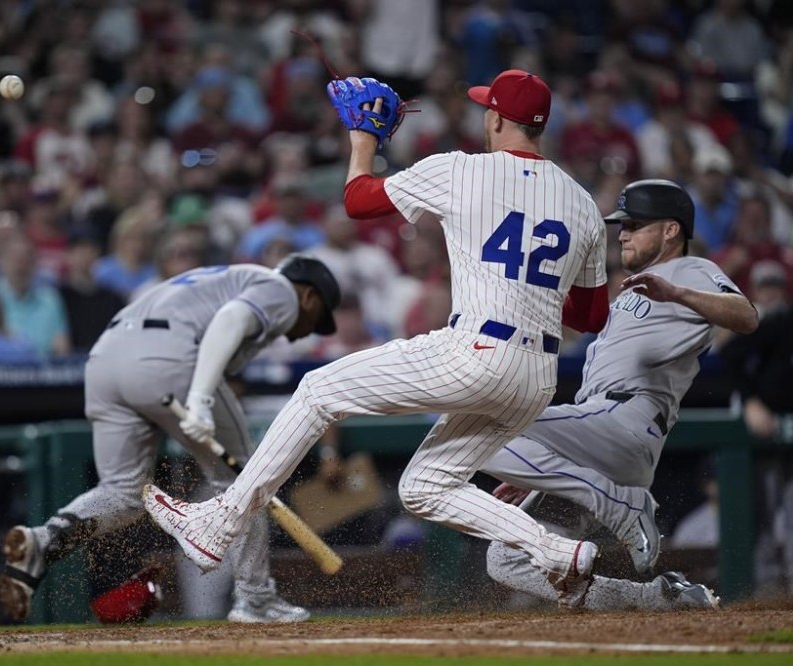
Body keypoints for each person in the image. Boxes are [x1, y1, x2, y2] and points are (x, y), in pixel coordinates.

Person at [144, 69, 613, 596]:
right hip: (536, 376)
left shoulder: (462, 170)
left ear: (496, 117)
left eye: (488, 107)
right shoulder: (582, 202)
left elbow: (359, 199)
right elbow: (591, 316)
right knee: (425, 488)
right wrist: (535, 280)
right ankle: (554, 549)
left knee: (318, 391)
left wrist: (363, 137)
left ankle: (220, 523)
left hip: (476, 351)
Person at [0, 255, 342, 624]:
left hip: (104, 361)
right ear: (308, 296)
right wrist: (201, 399)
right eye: (317, 316)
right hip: (166, 357)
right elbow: (231, 319)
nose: (309, 330)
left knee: (122, 491)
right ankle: (255, 598)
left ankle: (43, 541)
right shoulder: (280, 290)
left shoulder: (225, 277)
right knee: (248, 482)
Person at [480, 179, 758, 610]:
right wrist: (533, 468)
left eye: (634, 224)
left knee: (477, 427)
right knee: (505, 559)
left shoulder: (689, 270)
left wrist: (679, 292)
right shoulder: (633, 288)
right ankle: (659, 600)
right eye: (621, 224)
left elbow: (746, 317)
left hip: (626, 422)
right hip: (594, 437)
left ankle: (624, 508)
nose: (622, 232)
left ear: (670, 230)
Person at [721, 257, 793, 599]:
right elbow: (730, 357)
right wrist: (751, 401)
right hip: (766, 435)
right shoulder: (783, 324)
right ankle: (762, 597)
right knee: (765, 517)